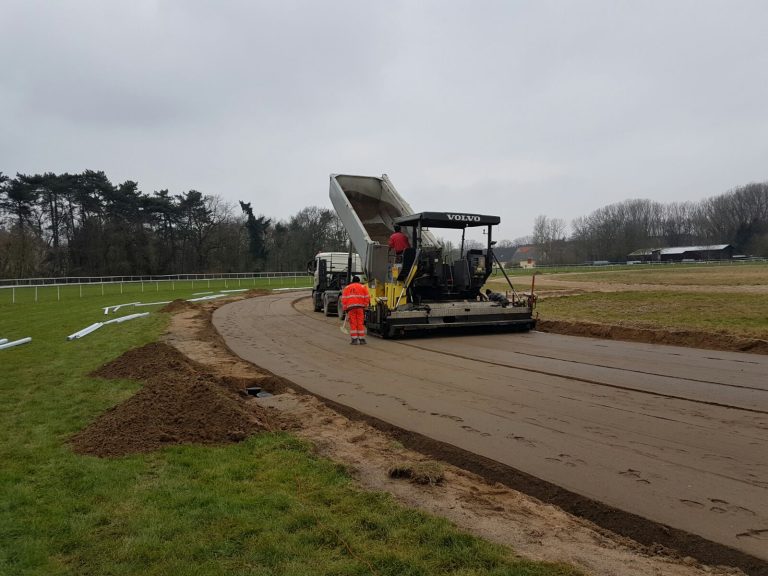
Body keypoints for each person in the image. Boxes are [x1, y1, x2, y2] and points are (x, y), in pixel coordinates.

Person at [341, 276, 371, 345]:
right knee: (360, 323)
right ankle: (362, 340)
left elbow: (344, 299)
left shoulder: (347, 288)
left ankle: (354, 340)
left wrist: (345, 309)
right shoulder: (363, 287)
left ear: (352, 281)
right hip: (360, 308)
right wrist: (365, 306)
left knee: (353, 323)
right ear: (359, 281)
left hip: (351, 309)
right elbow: (367, 297)